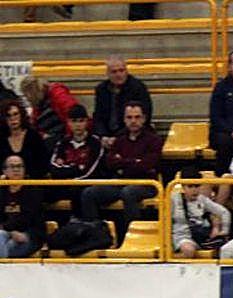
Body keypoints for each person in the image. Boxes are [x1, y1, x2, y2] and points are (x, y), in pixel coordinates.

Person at [80, 101, 162, 244]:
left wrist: (123, 162)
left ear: (144, 119)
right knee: (89, 193)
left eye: (137, 117)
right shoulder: (119, 139)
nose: (133, 121)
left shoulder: (153, 140)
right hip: (121, 182)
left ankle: (133, 239)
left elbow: (147, 165)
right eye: (129, 117)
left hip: (147, 184)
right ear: (124, 119)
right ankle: (96, 236)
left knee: (128, 193)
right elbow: (110, 162)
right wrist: (133, 162)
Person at [48, 104, 103, 214]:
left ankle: (79, 223)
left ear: (87, 122)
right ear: (68, 122)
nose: (78, 125)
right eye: (74, 121)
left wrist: (66, 169)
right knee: (43, 191)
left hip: (86, 184)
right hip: (65, 185)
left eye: (81, 120)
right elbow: (54, 168)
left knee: (78, 191)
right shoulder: (62, 143)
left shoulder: (95, 143)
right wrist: (76, 168)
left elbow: (90, 171)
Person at [93, 56, 154, 149]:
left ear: (126, 71)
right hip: (107, 136)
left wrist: (118, 138)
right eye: (114, 72)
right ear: (107, 73)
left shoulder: (138, 88)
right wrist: (103, 136)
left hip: (131, 134)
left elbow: (144, 117)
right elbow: (98, 116)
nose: (118, 74)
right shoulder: (101, 89)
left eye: (121, 70)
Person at [171, 168, 231, 259]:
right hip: (182, 237)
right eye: (190, 186)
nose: (194, 190)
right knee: (189, 250)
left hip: (202, 238)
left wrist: (224, 231)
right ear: (183, 187)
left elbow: (224, 212)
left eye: (197, 186)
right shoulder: (173, 200)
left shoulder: (202, 199)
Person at [0, 155, 46, 259]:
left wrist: (9, 230)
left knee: (5, 245)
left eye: (19, 166)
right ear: (5, 171)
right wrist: (9, 231)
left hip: (27, 235)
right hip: (6, 233)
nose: (16, 169)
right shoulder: (1, 190)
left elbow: (27, 219)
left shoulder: (33, 191)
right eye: (12, 166)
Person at [20, 76, 81, 149]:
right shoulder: (38, 102)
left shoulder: (57, 94)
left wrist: (68, 139)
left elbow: (74, 115)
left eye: (26, 95)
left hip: (62, 138)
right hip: (49, 138)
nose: (27, 98)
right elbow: (34, 125)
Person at [1, 98, 49, 179]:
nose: (12, 119)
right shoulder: (1, 138)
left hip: (31, 183)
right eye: (8, 115)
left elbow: (43, 165)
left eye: (15, 114)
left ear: (21, 115)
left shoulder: (33, 136)